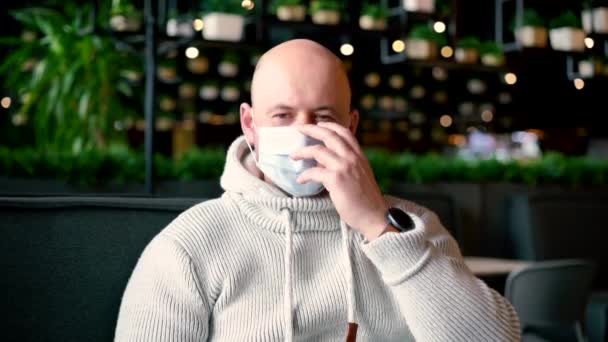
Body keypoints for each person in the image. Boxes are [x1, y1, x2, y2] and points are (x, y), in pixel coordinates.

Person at [114, 39, 520, 341]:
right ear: (250, 124)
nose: (303, 133)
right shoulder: (189, 247)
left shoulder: (412, 226)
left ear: (351, 127)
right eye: (283, 115)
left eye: (323, 117)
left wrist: (377, 226)